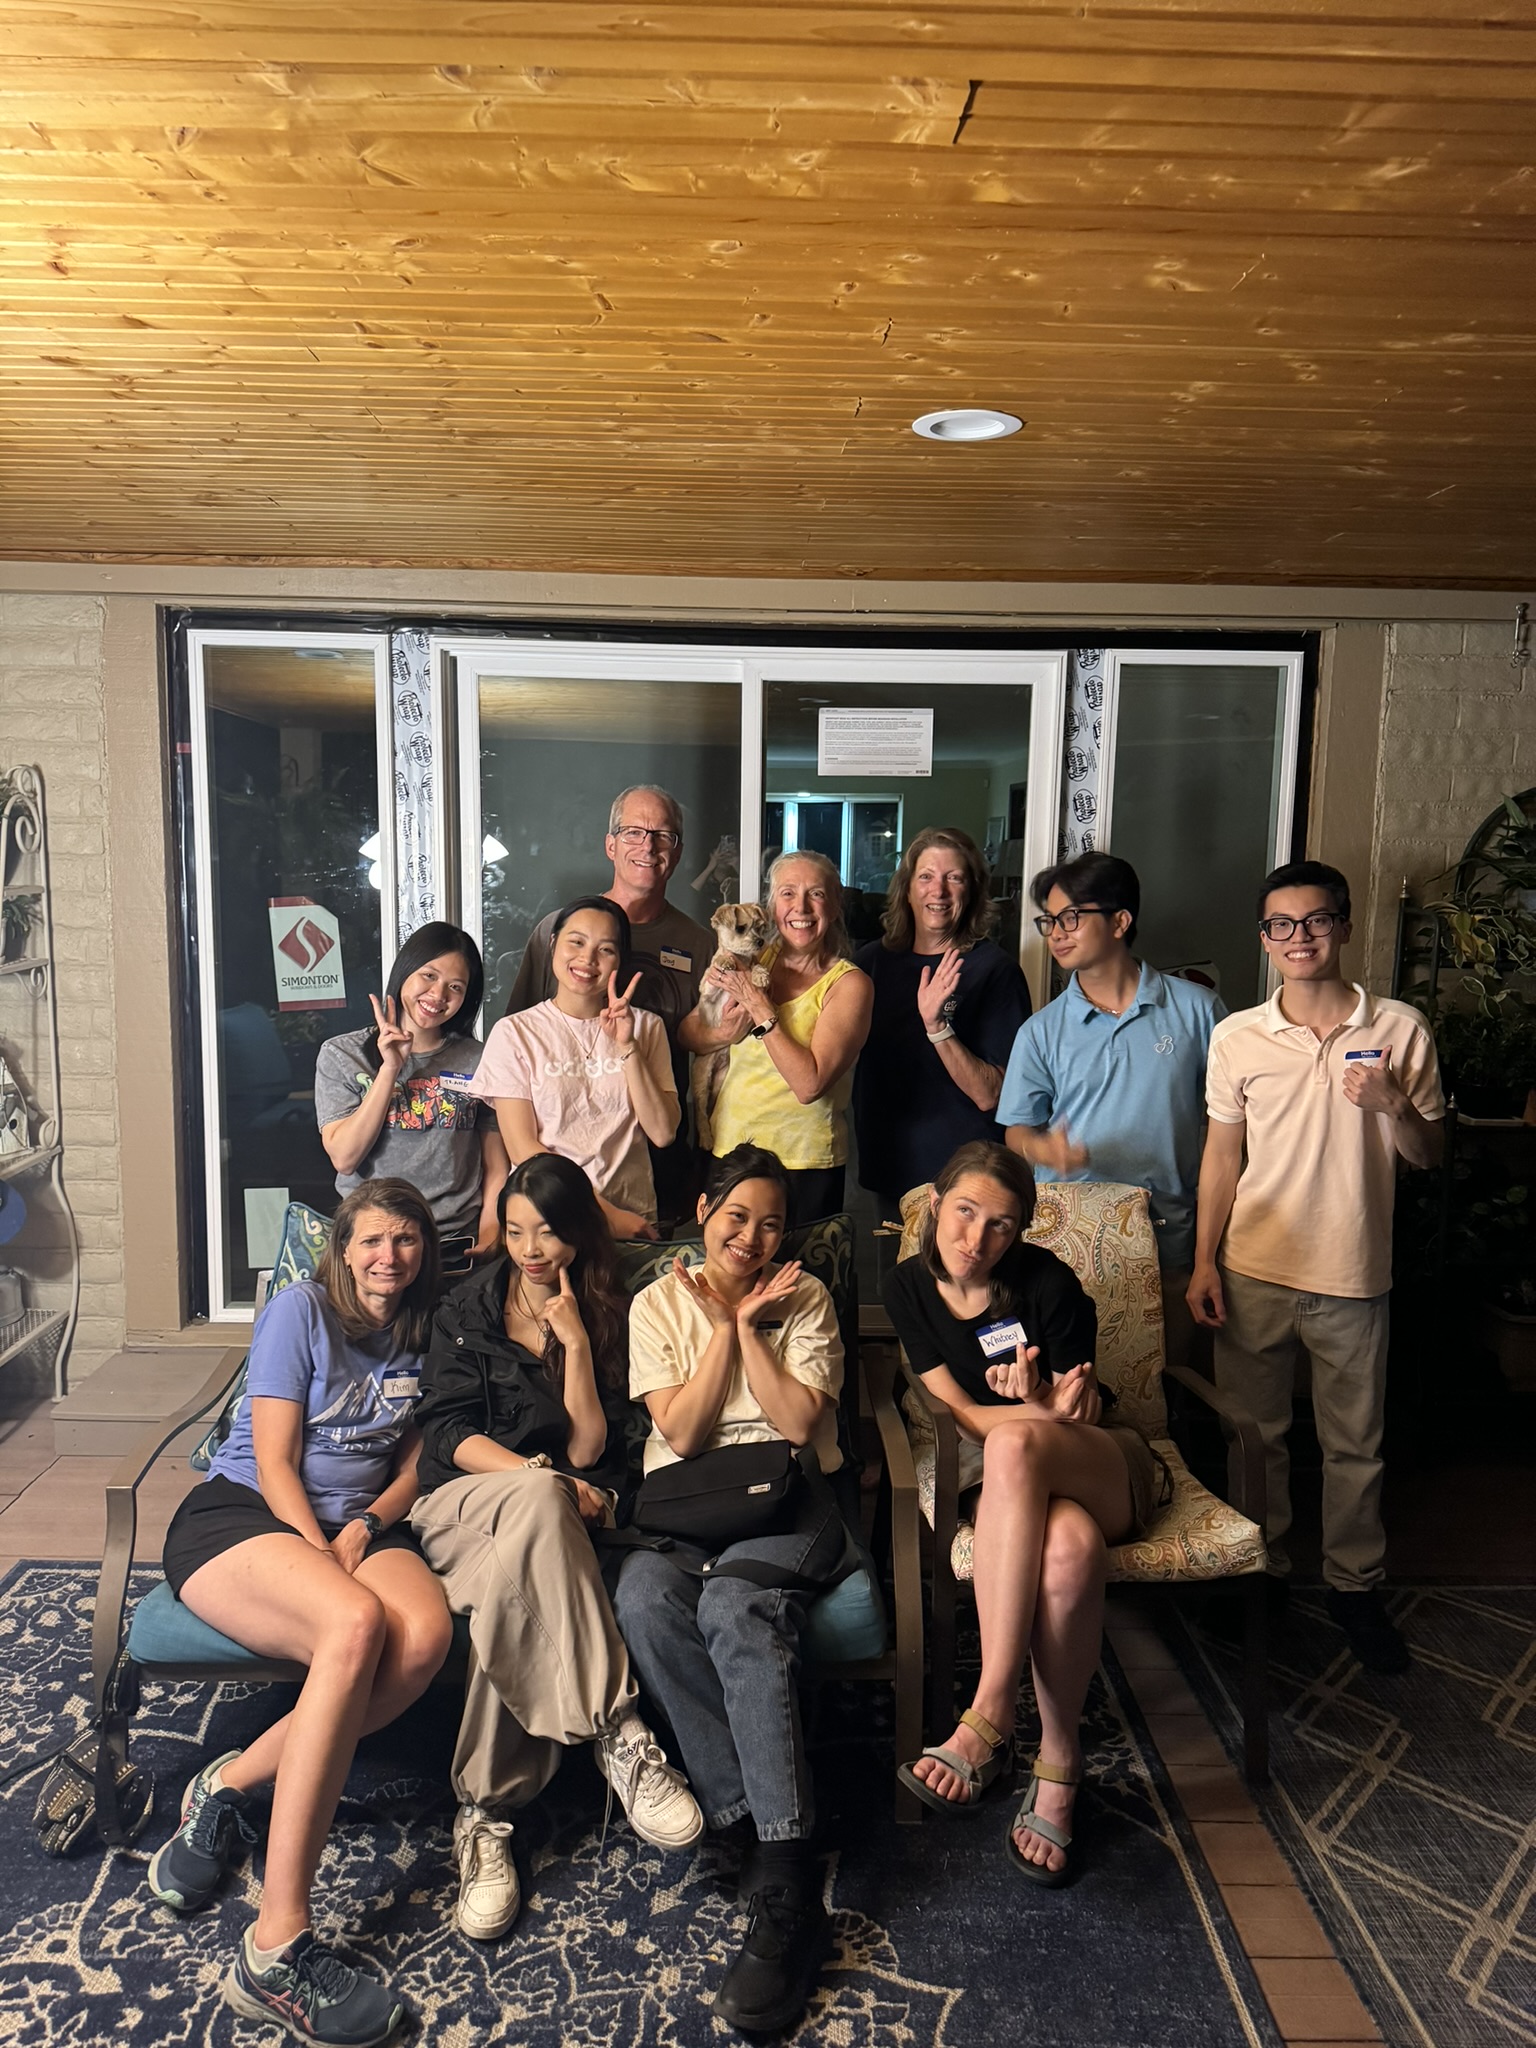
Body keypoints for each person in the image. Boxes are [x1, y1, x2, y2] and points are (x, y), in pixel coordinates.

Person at [149, 1178, 453, 2046]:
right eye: (371, 1240)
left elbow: (413, 1463)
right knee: (354, 1625)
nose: (388, 1256)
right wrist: (322, 1556)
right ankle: (275, 1948)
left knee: (423, 1639)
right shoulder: (301, 1311)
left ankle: (227, 1785)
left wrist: (365, 1527)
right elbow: (276, 1460)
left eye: (405, 1239)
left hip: (355, 1525)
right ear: (342, 1249)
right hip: (248, 1512)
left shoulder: (427, 1327)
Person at [410, 1152, 702, 1942]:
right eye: (514, 1232)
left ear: (577, 1231)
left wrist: (573, 1345)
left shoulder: (609, 1309)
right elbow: (448, 1435)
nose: (531, 1250)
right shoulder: (466, 1308)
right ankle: (618, 1730)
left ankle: (482, 1814)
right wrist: (539, 1479)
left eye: (546, 1231)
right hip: (460, 1505)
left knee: (511, 1590)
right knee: (538, 1503)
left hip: (546, 1524)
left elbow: (589, 1449)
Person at [881, 1142, 1164, 1885]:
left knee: (1014, 1446)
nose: (976, 1239)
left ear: (1020, 1231)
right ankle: (1061, 1761)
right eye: (964, 1212)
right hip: (1016, 1479)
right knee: (1067, 1550)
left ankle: (990, 1710)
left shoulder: (1049, 1283)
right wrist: (1029, 1416)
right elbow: (958, 1411)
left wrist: (1043, 1402)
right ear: (936, 1204)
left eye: (1000, 1225)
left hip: (1102, 1465)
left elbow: (1082, 1415)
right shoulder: (907, 1286)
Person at [1187, 861, 1444, 1673]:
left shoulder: (1401, 1028)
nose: (1299, 938)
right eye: (1282, 925)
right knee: (1253, 1438)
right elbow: (1221, 1159)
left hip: (1355, 1271)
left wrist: (1394, 1104)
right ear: (1265, 939)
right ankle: (1262, 1573)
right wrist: (1203, 1261)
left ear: (1345, 925)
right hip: (1254, 1267)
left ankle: (1353, 1588)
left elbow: (1430, 1154)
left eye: (1316, 920)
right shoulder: (1237, 1036)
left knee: (1354, 1445)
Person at [614, 1146, 848, 2033]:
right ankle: (739, 1812)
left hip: (788, 1502)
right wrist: (718, 1326)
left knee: (731, 1606)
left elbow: (799, 1421)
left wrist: (750, 1326)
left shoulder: (806, 1298)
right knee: (642, 1597)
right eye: (738, 1216)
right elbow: (680, 1429)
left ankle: (787, 1878)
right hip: (688, 1506)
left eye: (772, 1224)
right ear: (705, 1211)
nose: (752, 1238)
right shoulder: (656, 1302)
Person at [998, 853, 1226, 1372]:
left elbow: (1227, 1125)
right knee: (1072, 1377)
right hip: (1071, 1235)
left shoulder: (1198, 1010)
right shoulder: (1041, 1030)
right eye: (1050, 921)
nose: (1057, 933)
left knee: (1164, 1380)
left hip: (1168, 1232)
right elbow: (1016, 1131)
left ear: (1120, 921)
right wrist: (1042, 1148)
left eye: (1072, 917)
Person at [505, 785, 710, 1223]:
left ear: (677, 851)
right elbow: (515, 1053)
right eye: (633, 832)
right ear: (610, 844)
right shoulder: (555, 932)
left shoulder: (698, 943)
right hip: (554, 1166)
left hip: (653, 1145)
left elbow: (709, 1042)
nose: (648, 846)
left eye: (663, 835)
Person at [679, 851, 873, 1229]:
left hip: (802, 1161)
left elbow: (809, 1085)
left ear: (835, 905)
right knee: (729, 1263)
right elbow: (687, 1033)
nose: (801, 907)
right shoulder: (750, 958)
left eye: (816, 894)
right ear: (771, 907)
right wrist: (724, 1032)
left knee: (800, 1266)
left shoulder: (849, 985)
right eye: (787, 893)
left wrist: (758, 1007)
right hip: (729, 1148)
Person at [470, 896, 679, 1240]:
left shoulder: (646, 1027)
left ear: (620, 959)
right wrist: (604, 1213)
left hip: (633, 1219)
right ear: (553, 943)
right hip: (546, 1220)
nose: (588, 959)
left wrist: (628, 1046)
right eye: (577, 942)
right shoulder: (515, 1033)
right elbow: (523, 1148)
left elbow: (662, 1132)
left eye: (606, 949)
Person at [315, 921, 508, 1279]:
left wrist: (490, 1231)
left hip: (453, 1244)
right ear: (405, 971)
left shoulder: (480, 1059)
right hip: (373, 1244)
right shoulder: (343, 1054)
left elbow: (495, 1163)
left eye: (455, 987)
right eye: (429, 976)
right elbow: (345, 1157)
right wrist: (390, 1069)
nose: (438, 994)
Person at [853, 826, 1032, 1206]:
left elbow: (990, 1095)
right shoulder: (870, 963)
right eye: (926, 877)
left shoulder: (994, 970)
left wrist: (938, 1027)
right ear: (907, 889)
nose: (939, 890)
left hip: (963, 1174)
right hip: (888, 1164)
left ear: (972, 891)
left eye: (954, 878)